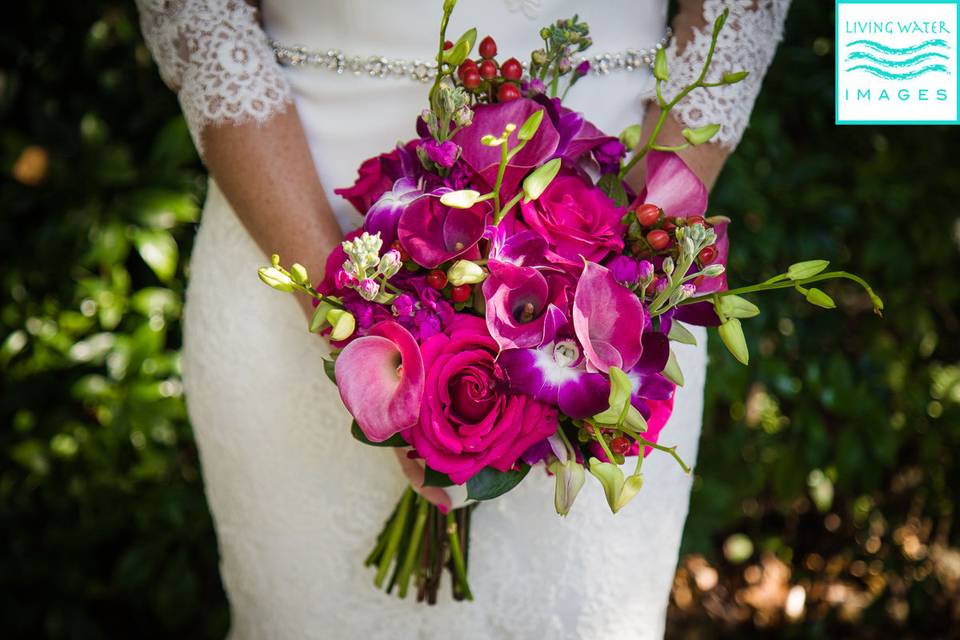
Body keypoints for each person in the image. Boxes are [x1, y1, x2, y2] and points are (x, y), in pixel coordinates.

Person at [136, 0, 790, 637]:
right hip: (286, 241)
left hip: (601, 271)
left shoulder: (609, 291)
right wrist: (346, 309)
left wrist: (626, 283)